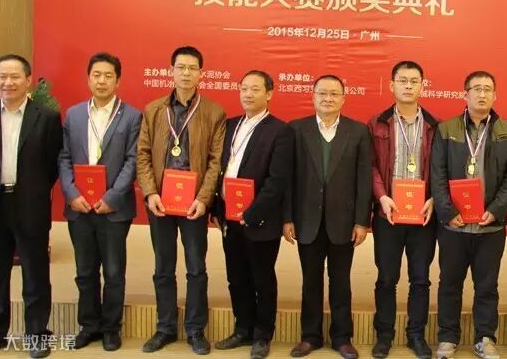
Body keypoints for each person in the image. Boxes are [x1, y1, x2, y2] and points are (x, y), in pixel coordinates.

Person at [0, 54, 63, 358]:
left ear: (28, 80)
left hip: (30, 204)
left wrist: (33, 189)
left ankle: (36, 334)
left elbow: (52, 165)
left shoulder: (46, 117)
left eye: (15, 77)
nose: (8, 83)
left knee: (35, 274)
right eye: (2, 77)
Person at [136, 45, 226, 355]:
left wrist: (204, 198)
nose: (186, 73)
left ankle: (195, 330)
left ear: (201, 73)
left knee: (196, 268)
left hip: (194, 205)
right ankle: (164, 328)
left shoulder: (214, 113)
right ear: (171, 71)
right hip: (160, 202)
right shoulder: (153, 110)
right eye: (181, 67)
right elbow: (143, 154)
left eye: (192, 68)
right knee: (163, 267)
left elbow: (215, 161)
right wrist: (150, 192)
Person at [430, 70, 507, 359]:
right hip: (454, 226)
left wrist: (495, 211)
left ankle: (485, 337)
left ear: (495, 95)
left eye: (487, 89)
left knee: (487, 286)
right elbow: (437, 173)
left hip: (490, 227)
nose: (482, 94)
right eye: (476, 88)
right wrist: (447, 211)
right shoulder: (446, 129)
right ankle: (448, 337)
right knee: (449, 284)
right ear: (465, 94)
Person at [57, 52, 142, 352]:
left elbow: (132, 161)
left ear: (118, 80)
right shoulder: (74, 114)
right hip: (79, 207)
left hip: (113, 208)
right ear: (88, 78)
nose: (102, 81)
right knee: (85, 271)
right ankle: (89, 325)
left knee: (114, 272)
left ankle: (110, 328)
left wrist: (112, 196)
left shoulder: (132, 116)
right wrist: (71, 194)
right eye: (96, 75)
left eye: (108, 75)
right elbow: (64, 157)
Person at [288, 74, 372, 359]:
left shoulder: (358, 131)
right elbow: (288, 178)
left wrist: (362, 221)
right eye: (322, 93)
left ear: (344, 98)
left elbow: (364, 180)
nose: (328, 98)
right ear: (312, 96)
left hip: (344, 222)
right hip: (306, 221)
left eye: (334, 94)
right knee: (310, 280)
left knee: (341, 281)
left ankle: (342, 338)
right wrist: (287, 218)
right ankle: (309, 337)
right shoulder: (296, 130)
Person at [212, 70, 294, 359]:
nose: (248, 94)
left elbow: (277, 180)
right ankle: (242, 328)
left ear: (269, 94)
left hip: (260, 219)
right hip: (229, 217)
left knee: (262, 279)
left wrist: (253, 211)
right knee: (236, 277)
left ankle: (262, 335)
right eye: (244, 88)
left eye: (255, 89)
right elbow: (219, 168)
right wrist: (218, 208)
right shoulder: (229, 125)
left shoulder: (280, 131)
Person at [368, 61, 438, 359]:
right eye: (402, 80)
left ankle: (416, 336)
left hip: (423, 215)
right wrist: (382, 196)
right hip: (389, 214)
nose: (408, 86)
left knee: (420, 279)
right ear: (391, 85)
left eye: (414, 81)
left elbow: (441, 168)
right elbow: (370, 165)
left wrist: (434, 198)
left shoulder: (435, 126)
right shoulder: (377, 123)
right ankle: (384, 336)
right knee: (386, 278)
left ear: (423, 85)